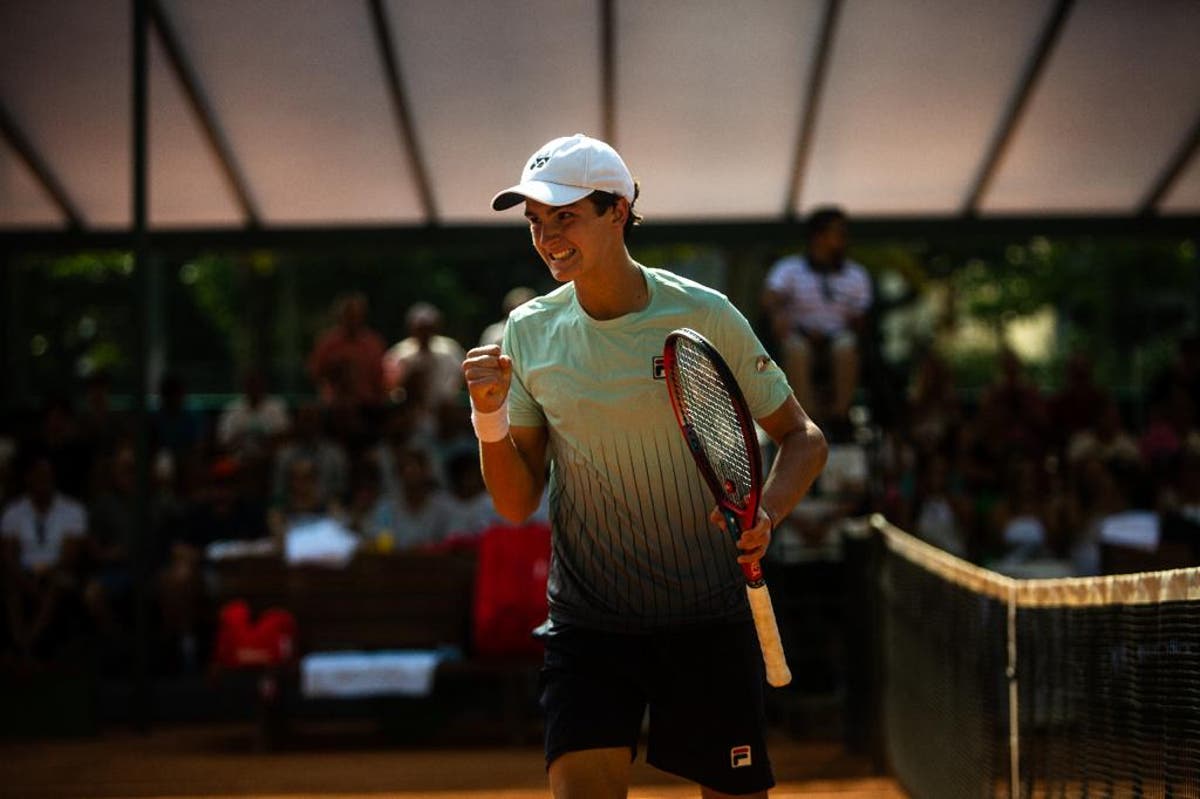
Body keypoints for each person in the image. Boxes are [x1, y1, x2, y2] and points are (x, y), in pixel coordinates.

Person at [463, 133, 827, 799]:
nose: (547, 238)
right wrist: (487, 418)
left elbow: (802, 437)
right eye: (535, 223)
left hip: (708, 617)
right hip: (588, 625)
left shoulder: (705, 313)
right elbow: (516, 504)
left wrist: (766, 511)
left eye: (565, 216)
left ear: (618, 211)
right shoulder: (527, 333)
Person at [762, 206, 872, 435]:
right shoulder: (790, 269)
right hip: (800, 334)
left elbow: (862, 318)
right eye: (837, 232)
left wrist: (855, 323)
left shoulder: (856, 274)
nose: (843, 238)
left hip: (838, 336)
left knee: (846, 346)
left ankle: (841, 417)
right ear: (818, 236)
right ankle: (805, 420)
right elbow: (770, 298)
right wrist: (778, 315)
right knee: (795, 348)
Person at [307, 291, 388, 409]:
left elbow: (380, 377)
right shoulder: (328, 343)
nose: (353, 319)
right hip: (337, 407)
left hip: (369, 406)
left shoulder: (373, 343)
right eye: (348, 315)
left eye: (356, 315)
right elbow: (314, 372)